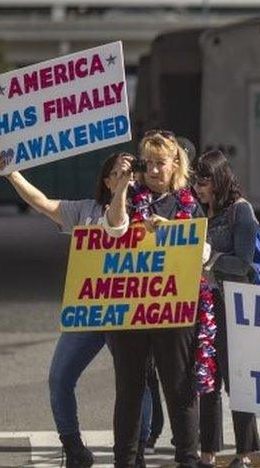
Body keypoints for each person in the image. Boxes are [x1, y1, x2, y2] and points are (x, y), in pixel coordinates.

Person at [0, 151, 153, 468]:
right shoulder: (85, 210)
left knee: (136, 381)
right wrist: (11, 174)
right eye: (120, 172)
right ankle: (74, 447)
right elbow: (42, 202)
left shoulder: (147, 212)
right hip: (89, 311)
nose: (128, 177)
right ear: (106, 180)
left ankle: (138, 446)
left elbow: (123, 224)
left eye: (132, 172)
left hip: (127, 312)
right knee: (60, 378)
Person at [106, 130, 205, 468]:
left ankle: (187, 459)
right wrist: (121, 185)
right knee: (129, 390)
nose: (152, 170)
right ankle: (126, 460)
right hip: (132, 306)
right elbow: (115, 229)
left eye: (159, 163)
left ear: (175, 163)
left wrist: (173, 231)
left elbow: (203, 252)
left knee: (178, 388)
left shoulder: (188, 201)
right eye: (147, 163)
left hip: (174, 308)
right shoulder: (133, 196)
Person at [192, 150, 260, 468]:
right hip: (203, 303)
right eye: (195, 182)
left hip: (232, 303)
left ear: (219, 180)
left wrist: (211, 257)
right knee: (207, 378)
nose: (199, 188)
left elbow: (244, 264)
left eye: (204, 182)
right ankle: (208, 450)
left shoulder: (240, 211)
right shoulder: (197, 211)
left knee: (237, 379)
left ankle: (244, 451)